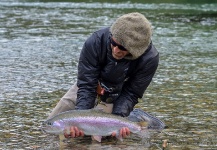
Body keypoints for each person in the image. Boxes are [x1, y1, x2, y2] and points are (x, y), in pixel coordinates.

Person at [48, 12, 159, 140]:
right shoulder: (95, 41)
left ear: (135, 50)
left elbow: (131, 93)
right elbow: (86, 85)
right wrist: (80, 118)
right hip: (91, 86)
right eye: (114, 42)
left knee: (102, 141)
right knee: (50, 127)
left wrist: (119, 118)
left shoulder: (150, 59)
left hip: (118, 96)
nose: (116, 50)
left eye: (122, 48)